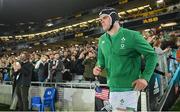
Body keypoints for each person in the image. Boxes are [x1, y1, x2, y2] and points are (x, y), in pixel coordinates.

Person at [93, 7, 157, 111]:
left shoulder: (132, 35)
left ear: (113, 18)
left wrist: (145, 78)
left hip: (129, 89)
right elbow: (101, 61)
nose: (102, 21)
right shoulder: (102, 40)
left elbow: (152, 55)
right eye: (100, 20)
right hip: (112, 88)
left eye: (104, 18)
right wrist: (97, 67)